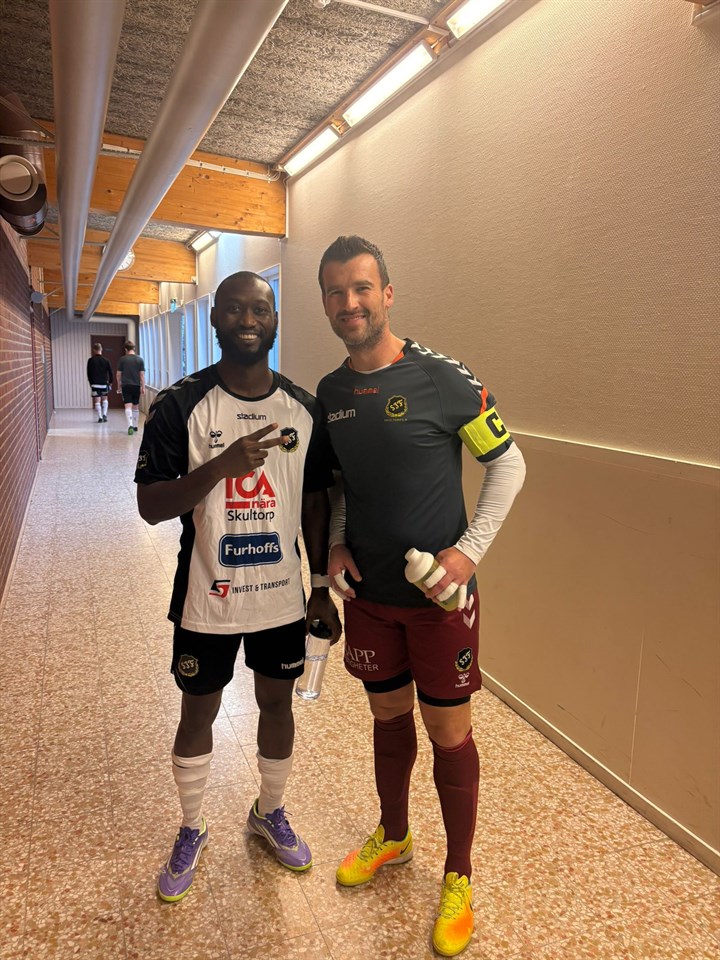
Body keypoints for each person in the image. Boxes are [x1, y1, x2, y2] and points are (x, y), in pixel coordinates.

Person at [316, 236, 526, 958]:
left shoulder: (443, 378)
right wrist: (336, 545)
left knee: (449, 732)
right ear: (326, 304)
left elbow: (509, 464)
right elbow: (340, 487)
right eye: (336, 292)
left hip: (440, 602)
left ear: (387, 293)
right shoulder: (332, 394)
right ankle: (395, 835)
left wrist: (468, 553)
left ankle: (459, 874)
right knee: (386, 715)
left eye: (361, 288)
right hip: (370, 596)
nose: (350, 303)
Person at [135, 271, 340, 904]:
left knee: (278, 706)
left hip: (281, 597)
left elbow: (315, 501)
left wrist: (319, 587)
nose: (248, 320)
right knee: (198, 711)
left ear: (275, 320)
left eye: (260, 309)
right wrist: (221, 467)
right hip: (207, 596)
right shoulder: (180, 405)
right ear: (215, 318)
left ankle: (268, 811)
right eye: (234, 309)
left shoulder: (304, 409)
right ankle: (192, 825)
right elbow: (150, 506)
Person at [116, 340, 145, 435]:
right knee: (135, 406)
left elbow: (118, 374)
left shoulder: (122, 360)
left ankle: (130, 426)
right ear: (134, 348)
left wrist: (119, 385)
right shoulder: (140, 360)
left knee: (128, 406)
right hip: (136, 385)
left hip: (126, 385)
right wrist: (143, 387)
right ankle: (135, 426)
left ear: (125, 349)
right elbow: (142, 375)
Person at [86, 342, 113, 422]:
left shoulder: (90, 360)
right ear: (101, 349)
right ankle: (104, 415)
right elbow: (111, 372)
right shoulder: (106, 361)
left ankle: (100, 417)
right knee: (105, 399)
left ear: (94, 350)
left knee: (97, 400)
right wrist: (110, 381)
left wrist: (90, 383)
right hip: (103, 383)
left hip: (94, 384)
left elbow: (88, 373)